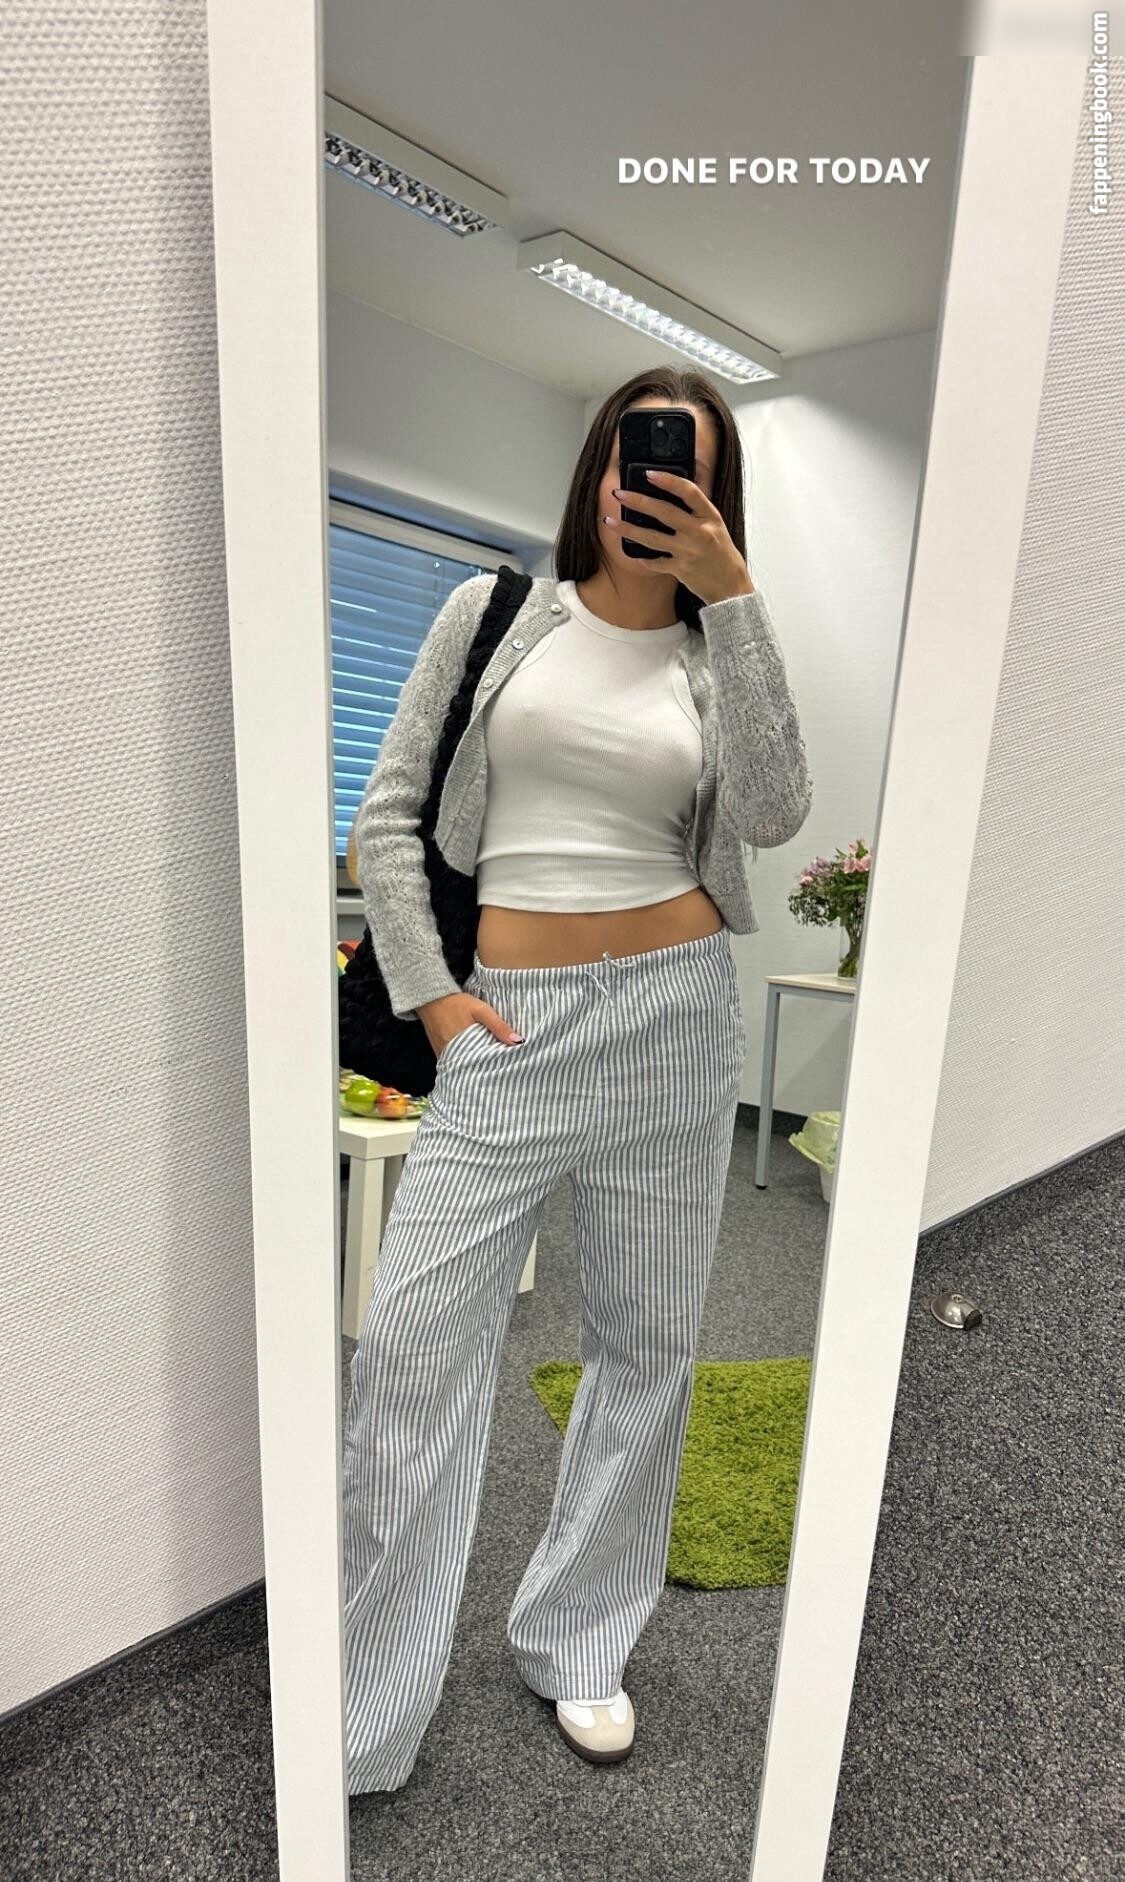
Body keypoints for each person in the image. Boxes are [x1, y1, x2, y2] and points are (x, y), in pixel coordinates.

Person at [342, 364, 813, 1792]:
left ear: (713, 499)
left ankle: (578, 1640)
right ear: (595, 469)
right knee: (410, 1352)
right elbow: (387, 816)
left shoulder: (714, 655)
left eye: (682, 466)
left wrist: (734, 599)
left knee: (643, 1351)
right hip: (504, 1028)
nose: (645, 482)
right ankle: (365, 1700)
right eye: (628, 453)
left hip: (673, 1019)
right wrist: (433, 1002)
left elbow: (776, 810)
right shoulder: (494, 617)